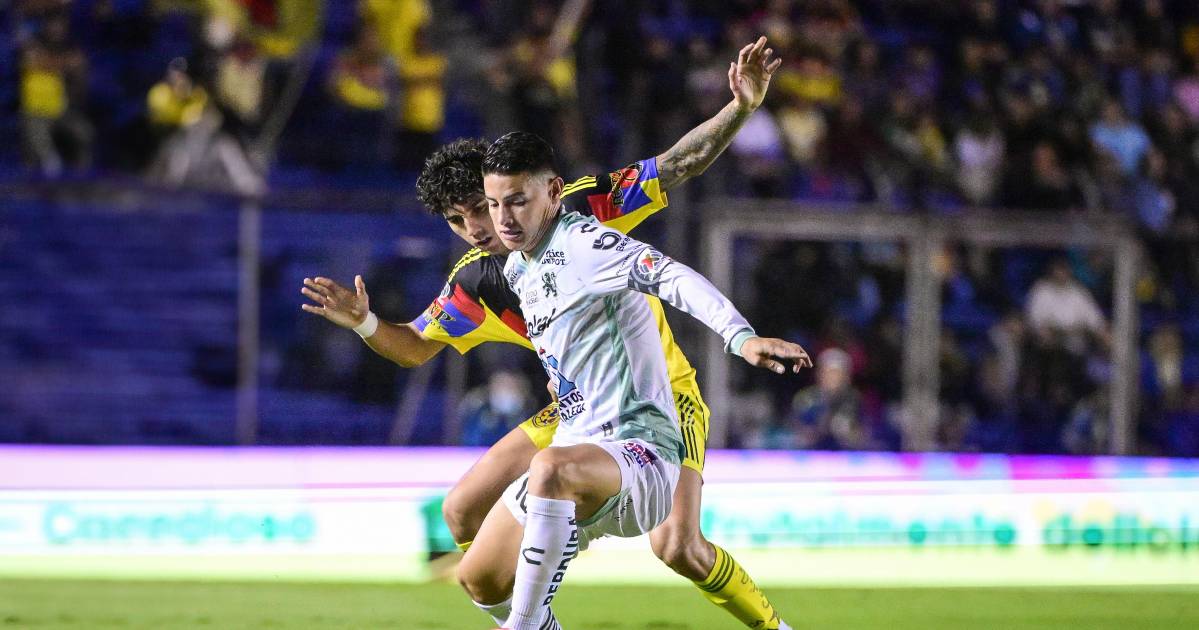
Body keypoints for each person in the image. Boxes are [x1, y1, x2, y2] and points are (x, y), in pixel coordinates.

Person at [301, 37, 797, 630]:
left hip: (660, 396)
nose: (479, 227)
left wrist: (738, 109)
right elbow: (412, 346)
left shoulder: (583, 213)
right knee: (462, 515)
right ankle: (539, 597)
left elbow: (677, 166)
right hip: (576, 406)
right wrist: (364, 321)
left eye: (483, 207)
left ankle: (772, 627)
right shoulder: (479, 281)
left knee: (677, 547)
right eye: (459, 219)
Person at [464, 130, 809, 629]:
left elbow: (668, 275)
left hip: (640, 454)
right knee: (480, 578)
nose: (503, 218)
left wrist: (740, 336)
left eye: (517, 201)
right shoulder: (519, 268)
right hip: (582, 451)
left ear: (554, 192)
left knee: (551, 469)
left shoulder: (584, 243)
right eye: (494, 204)